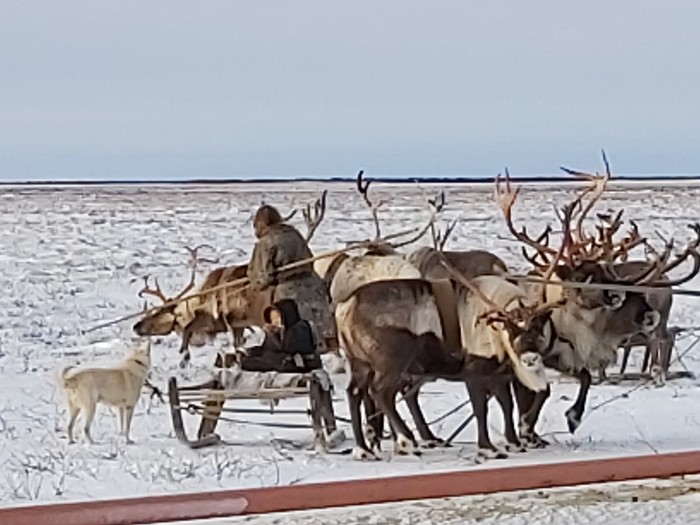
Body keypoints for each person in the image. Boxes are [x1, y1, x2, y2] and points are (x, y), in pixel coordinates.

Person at [246, 204, 337, 353]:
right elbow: (309, 258)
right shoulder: (294, 234)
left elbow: (262, 278)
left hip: (289, 294)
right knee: (319, 333)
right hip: (314, 287)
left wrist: (255, 281)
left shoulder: (266, 243)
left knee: (294, 338)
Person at [239, 299, 322, 373]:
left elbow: (290, 348)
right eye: (272, 320)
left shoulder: (301, 327)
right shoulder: (283, 332)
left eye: (277, 318)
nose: (275, 322)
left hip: (299, 364)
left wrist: (273, 337)